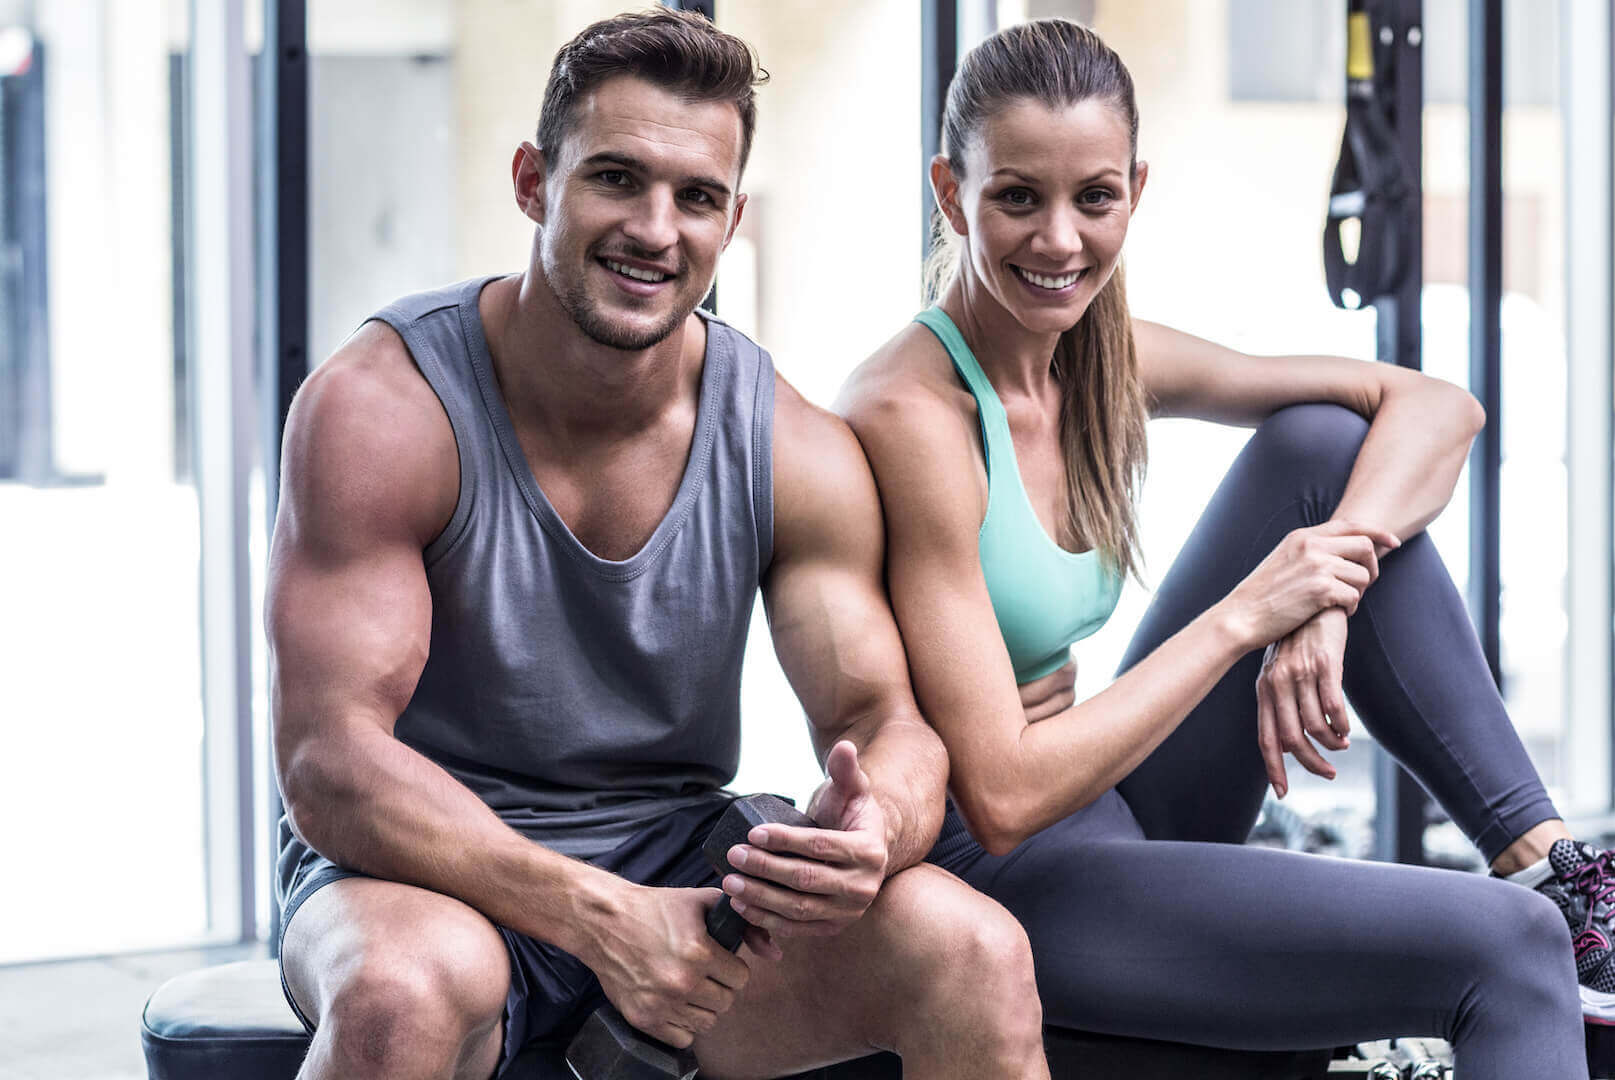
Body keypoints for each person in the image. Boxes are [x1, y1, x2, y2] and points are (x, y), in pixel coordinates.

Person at [838, 19, 1615, 1079]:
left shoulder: (1098, 358)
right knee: (1508, 951)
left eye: (1095, 198)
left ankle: (1545, 863)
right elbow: (1006, 792)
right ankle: (1543, 919)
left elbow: (1435, 407)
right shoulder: (912, 415)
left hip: (1114, 808)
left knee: (1321, 447)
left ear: (1136, 190)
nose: (1059, 241)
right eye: (1017, 197)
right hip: (1005, 874)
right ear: (951, 192)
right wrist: (1251, 616)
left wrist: (1327, 596)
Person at [267, 11, 1048, 1080]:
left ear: (733, 221)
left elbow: (886, 722)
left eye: (698, 197)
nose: (656, 228)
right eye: (617, 179)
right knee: (399, 994)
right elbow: (330, 763)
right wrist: (604, 916)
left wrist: (883, 825)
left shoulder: (791, 446)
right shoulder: (381, 409)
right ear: (534, 181)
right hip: (419, 867)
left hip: (674, 853)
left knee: (974, 950)